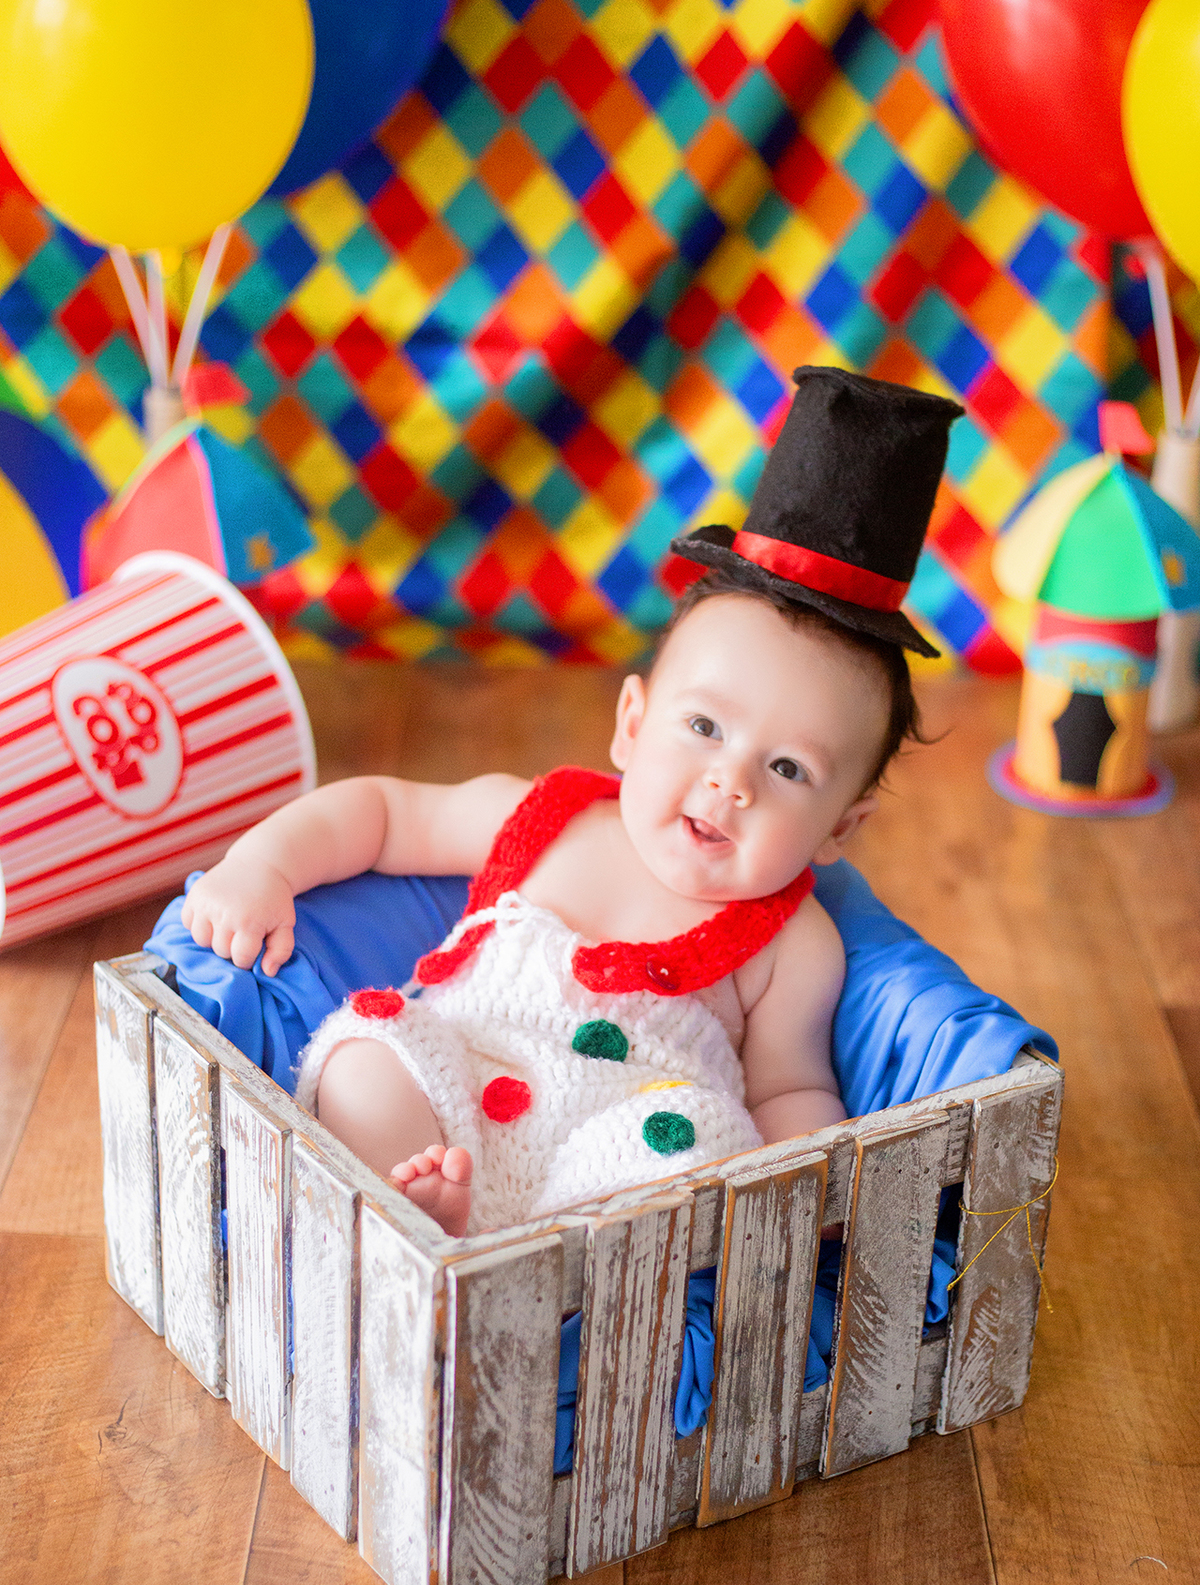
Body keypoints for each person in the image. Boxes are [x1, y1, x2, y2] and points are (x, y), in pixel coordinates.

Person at [181, 367, 963, 1237]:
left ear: (839, 828)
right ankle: (422, 1222)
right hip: (454, 1095)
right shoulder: (545, 819)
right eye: (704, 726)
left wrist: (811, 1186)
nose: (729, 782)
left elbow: (789, 1089)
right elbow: (385, 814)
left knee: (694, 1148)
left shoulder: (793, 944)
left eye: (787, 769)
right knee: (366, 1058)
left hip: (618, 1153)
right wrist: (262, 865)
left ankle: (525, 1268)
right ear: (631, 726)